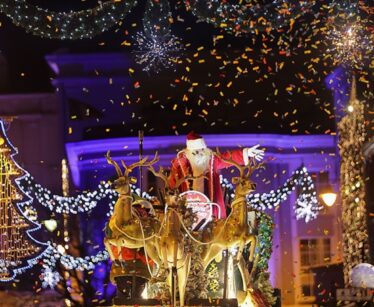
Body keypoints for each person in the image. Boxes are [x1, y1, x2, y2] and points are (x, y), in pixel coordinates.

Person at [168, 132, 264, 218]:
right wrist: (171, 195)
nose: (200, 154)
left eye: (202, 150)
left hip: (210, 205)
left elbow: (226, 158)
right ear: (189, 152)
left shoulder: (211, 160)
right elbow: (172, 183)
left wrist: (246, 153)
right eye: (196, 151)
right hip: (187, 207)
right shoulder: (179, 164)